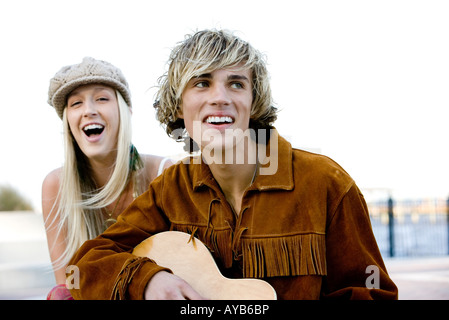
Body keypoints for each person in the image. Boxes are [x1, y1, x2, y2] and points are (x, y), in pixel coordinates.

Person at [68, 30, 398, 300]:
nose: (220, 97)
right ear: (179, 106)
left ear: (253, 103)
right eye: (201, 82)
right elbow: (81, 269)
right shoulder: (171, 190)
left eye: (237, 83)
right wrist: (146, 280)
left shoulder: (326, 181)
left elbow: (373, 290)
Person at [42, 57, 173, 300]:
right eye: (76, 103)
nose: (89, 110)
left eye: (102, 98)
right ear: (68, 121)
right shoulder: (56, 186)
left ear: (126, 111)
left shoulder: (163, 172)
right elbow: (69, 284)